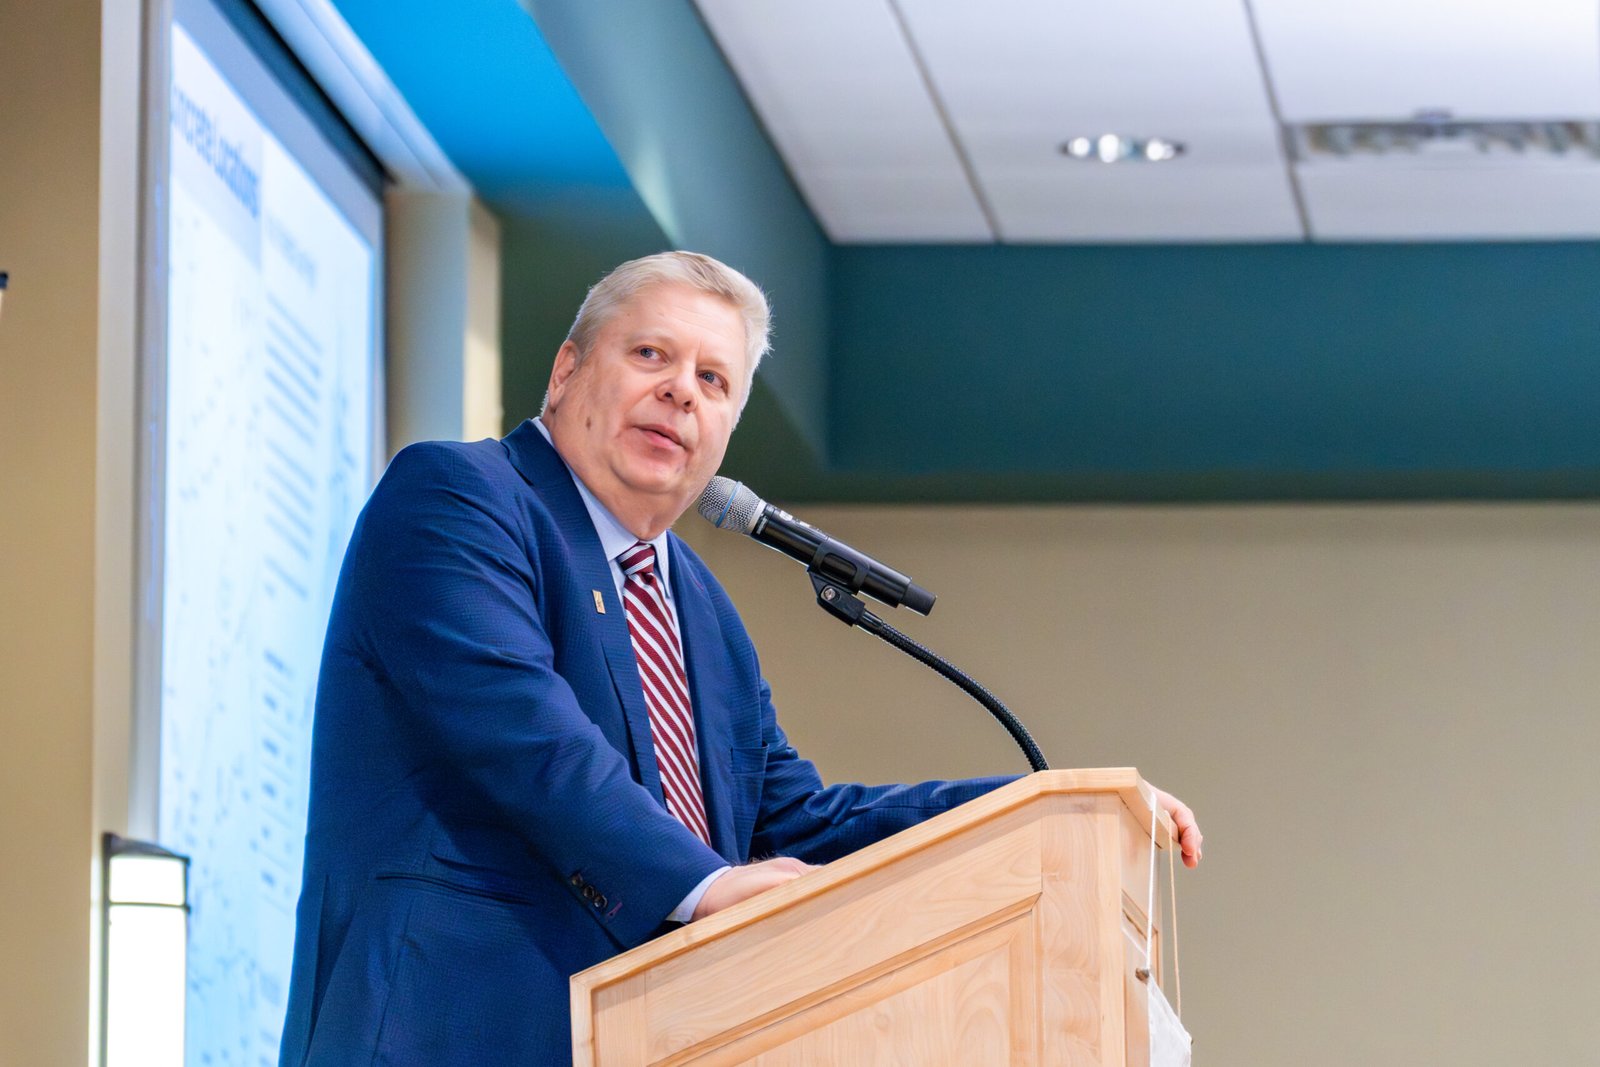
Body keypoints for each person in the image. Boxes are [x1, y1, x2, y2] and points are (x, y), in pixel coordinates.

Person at [277, 251, 1202, 1066]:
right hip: (448, 1028)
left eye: (714, 379)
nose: (682, 391)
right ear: (565, 371)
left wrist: (1041, 811)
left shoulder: (699, 606)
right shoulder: (459, 496)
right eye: (652, 355)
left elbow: (794, 822)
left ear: (725, 430)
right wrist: (706, 885)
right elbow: (529, 739)